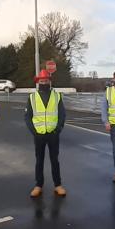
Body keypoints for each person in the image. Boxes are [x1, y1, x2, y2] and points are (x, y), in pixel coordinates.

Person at [24, 70, 67, 198]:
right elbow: (27, 117)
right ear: (38, 82)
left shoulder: (57, 96)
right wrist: (34, 131)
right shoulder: (32, 97)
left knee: (55, 160)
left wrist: (58, 129)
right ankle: (38, 185)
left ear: (50, 81)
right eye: (41, 81)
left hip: (53, 133)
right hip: (39, 134)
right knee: (39, 160)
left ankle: (58, 185)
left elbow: (62, 114)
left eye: (46, 80)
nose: (44, 82)